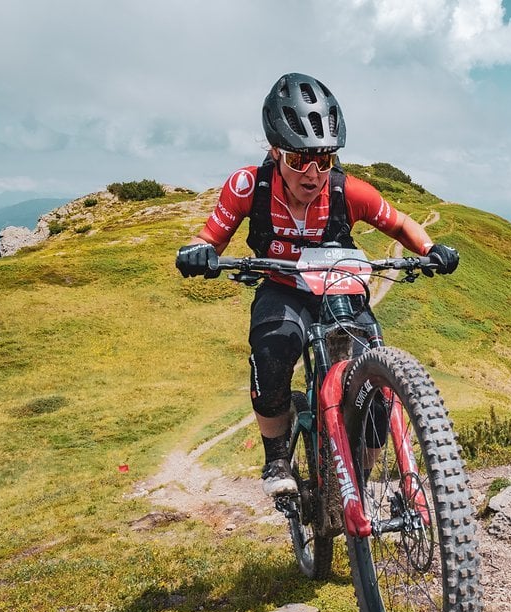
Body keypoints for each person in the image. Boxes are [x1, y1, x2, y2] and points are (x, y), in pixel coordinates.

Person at [175, 72, 459, 497]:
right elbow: (208, 238)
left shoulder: (349, 191)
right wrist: (197, 252)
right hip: (282, 287)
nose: (312, 173)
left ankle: (357, 485)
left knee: (375, 391)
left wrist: (431, 247)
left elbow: (399, 223)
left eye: (323, 160)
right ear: (275, 151)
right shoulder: (248, 187)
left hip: (340, 288)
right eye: (298, 160)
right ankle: (276, 459)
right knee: (272, 352)